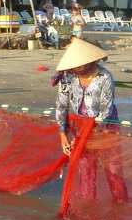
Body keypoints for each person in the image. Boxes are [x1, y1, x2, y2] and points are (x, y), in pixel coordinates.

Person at [54, 38, 126, 201]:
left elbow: (105, 111)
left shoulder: (104, 77)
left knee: (113, 172)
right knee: (86, 173)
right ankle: (88, 208)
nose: (76, 67)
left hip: (107, 130)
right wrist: (63, 134)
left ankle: (120, 206)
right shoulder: (67, 77)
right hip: (80, 130)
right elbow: (62, 106)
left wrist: (90, 134)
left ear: (90, 61)